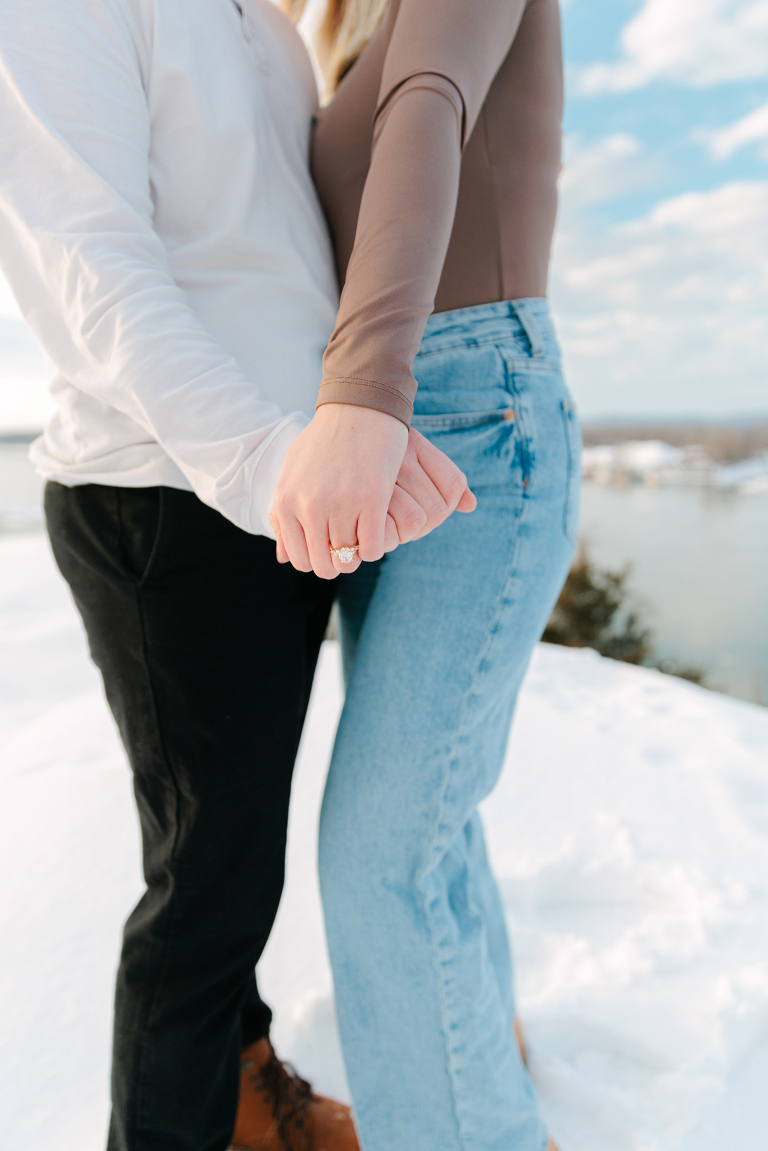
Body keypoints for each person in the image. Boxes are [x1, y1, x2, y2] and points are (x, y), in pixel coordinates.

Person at [0, 1, 473, 1149]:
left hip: (274, 493)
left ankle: (248, 1103)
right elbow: (90, 271)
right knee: (203, 887)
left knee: (229, 859)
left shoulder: (263, 25)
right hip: (171, 497)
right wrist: (271, 466)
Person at [272, 0, 578, 1148]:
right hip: (391, 431)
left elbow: (430, 106)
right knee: (427, 823)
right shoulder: (343, 37)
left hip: (464, 412)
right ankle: (486, 1082)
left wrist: (361, 389)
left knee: (378, 861)